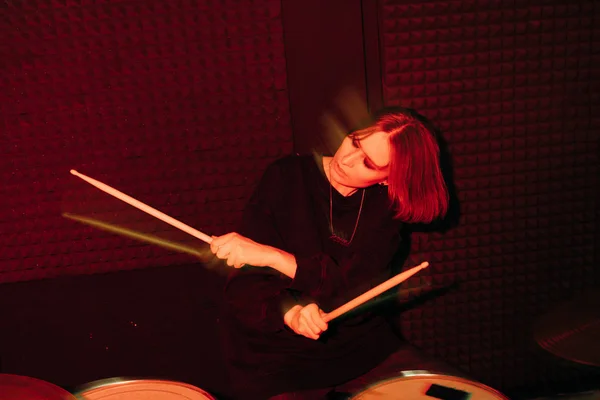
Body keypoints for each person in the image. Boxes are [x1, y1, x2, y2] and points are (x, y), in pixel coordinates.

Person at [210, 107, 451, 399]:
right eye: (353, 141)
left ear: (389, 179)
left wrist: (275, 257)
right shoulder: (286, 177)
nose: (346, 160)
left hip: (362, 350)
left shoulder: (386, 207)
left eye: (368, 163)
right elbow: (243, 287)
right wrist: (291, 312)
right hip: (277, 361)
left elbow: (352, 289)